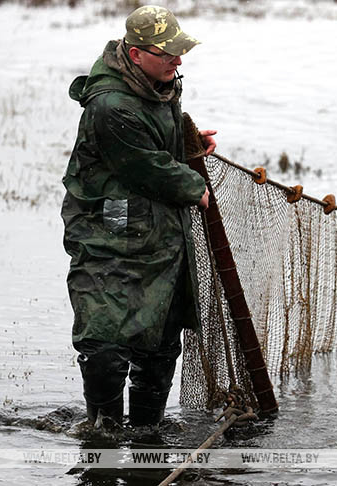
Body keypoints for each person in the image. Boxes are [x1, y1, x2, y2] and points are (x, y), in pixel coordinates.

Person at [60, 5, 216, 428]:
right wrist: (192, 185)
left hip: (159, 234)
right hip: (108, 232)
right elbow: (144, 165)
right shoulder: (110, 105)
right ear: (135, 54)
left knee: (162, 341)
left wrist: (187, 141)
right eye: (167, 53)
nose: (177, 61)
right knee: (106, 340)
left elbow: (155, 143)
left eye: (179, 52)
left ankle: (147, 435)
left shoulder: (159, 83)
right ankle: (102, 436)